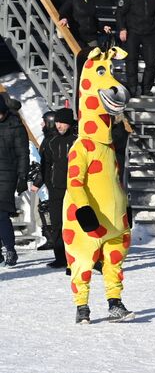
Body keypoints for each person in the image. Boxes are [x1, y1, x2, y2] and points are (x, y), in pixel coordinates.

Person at [64, 47, 135, 323]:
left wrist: (124, 207)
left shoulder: (107, 146)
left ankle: (115, 302)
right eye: (104, 72)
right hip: (89, 221)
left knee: (114, 262)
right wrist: (83, 211)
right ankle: (82, 305)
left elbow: (114, 179)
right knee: (82, 260)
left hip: (114, 219)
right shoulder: (81, 146)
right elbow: (74, 182)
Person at [36, 108, 77, 270]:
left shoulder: (77, 139)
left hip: (75, 188)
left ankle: (77, 257)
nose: (59, 125)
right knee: (57, 224)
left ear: (69, 123)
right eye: (58, 122)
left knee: (75, 224)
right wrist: (46, 182)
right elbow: (45, 164)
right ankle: (60, 257)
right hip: (56, 188)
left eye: (63, 123)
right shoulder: (51, 140)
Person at [57, 0, 110, 65]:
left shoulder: (90, 0)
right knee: (81, 61)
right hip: (78, 35)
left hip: (91, 36)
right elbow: (64, 10)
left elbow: (94, 18)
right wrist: (64, 18)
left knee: (95, 60)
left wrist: (103, 27)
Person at [0, 94, 26, 268]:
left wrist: (22, 176)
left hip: (8, 175)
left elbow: (23, 153)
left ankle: (10, 249)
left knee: (1, 213)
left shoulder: (15, 126)